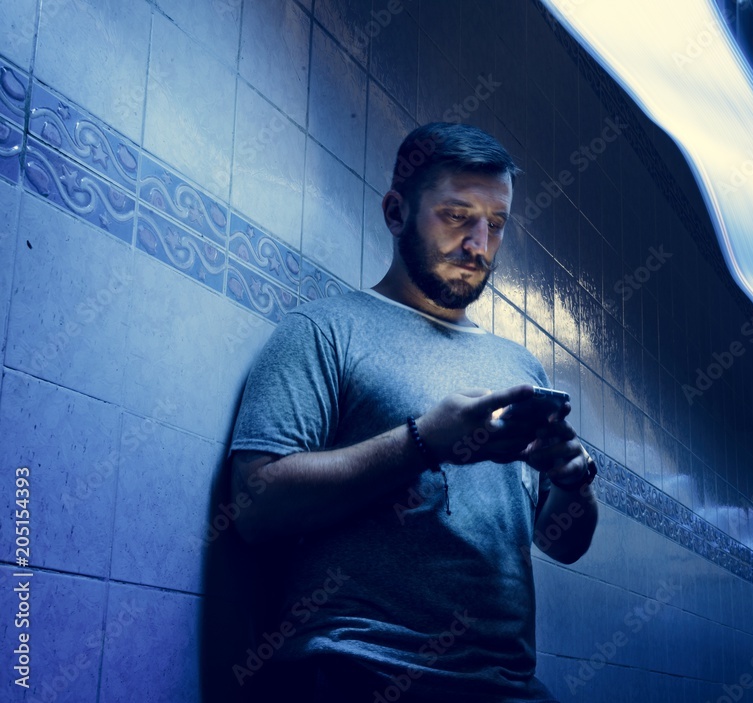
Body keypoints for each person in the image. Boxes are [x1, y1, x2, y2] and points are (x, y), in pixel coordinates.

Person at [228, 122, 599, 703]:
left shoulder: (520, 367)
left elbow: (559, 543)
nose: (479, 244)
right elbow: (253, 505)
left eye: (495, 224)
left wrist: (572, 482)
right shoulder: (325, 331)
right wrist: (424, 440)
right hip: (358, 670)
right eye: (457, 216)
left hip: (508, 687)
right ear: (397, 212)